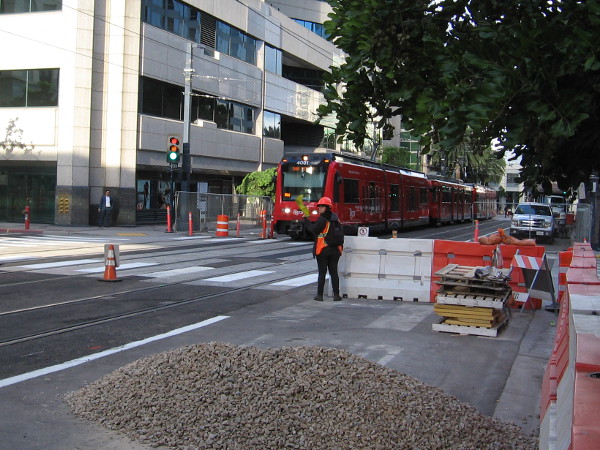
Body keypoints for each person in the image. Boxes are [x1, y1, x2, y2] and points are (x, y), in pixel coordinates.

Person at [304, 196, 342, 302]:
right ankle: (336, 295)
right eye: (319, 207)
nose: (319, 209)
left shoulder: (323, 219)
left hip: (323, 249)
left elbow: (314, 230)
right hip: (336, 250)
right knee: (334, 272)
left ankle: (319, 295)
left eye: (321, 207)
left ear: (326, 207)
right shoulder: (336, 218)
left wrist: (305, 220)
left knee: (322, 273)